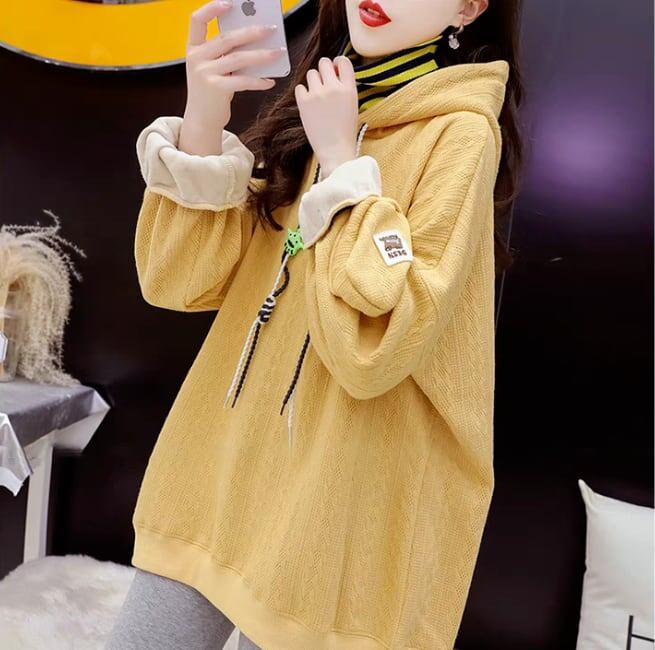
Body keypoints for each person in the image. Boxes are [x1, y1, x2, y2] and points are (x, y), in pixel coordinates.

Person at [106, 0, 523, 647]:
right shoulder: (322, 101)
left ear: (468, 8)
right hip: (218, 470)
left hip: (335, 508)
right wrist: (205, 116)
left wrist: (340, 165)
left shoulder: (461, 133)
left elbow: (377, 346)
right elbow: (179, 281)